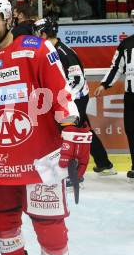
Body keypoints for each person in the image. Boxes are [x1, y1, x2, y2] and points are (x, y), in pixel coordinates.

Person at [0, 0, 91, 255]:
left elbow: (61, 94)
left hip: (43, 159)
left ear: (7, 18)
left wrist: (71, 131)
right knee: (4, 225)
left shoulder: (37, 48)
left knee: (50, 229)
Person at [33, 16, 116, 175]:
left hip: (75, 99)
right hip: (70, 98)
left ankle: (73, 174)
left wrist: (61, 98)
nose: (35, 37)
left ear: (43, 34)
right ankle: (104, 163)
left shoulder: (62, 52)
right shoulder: (50, 50)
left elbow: (76, 79)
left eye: (37, 33)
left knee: (70, 133)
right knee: (82, 131)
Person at [95, 9, 134, 179]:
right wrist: (104, 84)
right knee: (131, 130)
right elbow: (117, 67)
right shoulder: (127, 44)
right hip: (131, 95)